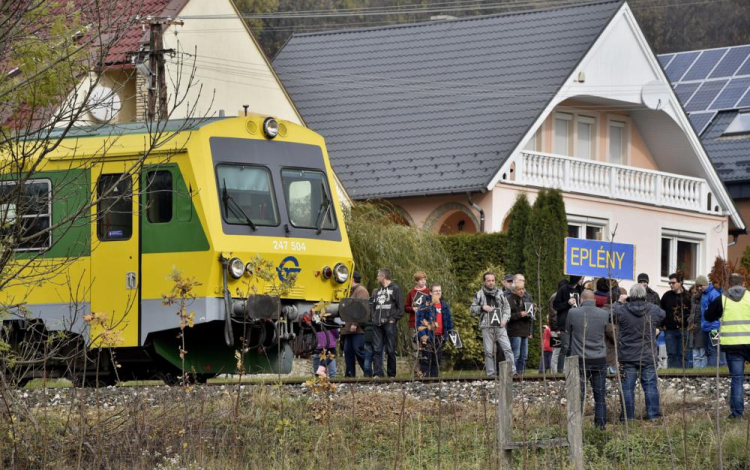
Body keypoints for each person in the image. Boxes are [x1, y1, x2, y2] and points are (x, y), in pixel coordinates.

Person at [614, 284, 666, 421]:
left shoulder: (622, 310)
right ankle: (653, 415)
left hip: (627, 356)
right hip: (647, 355)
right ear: (645, 296)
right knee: (650, 386)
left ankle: (627, 417)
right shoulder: (653, 310)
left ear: (631, 296)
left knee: (627, 388)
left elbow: (611, 314)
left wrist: (619, 301)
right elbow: (663, 315)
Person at [704, 273, 750, 418]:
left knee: (737, 379)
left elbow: (708, 316)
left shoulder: (722, 299)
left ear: (729, 284)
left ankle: (737, 413)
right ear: (743, 283)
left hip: (732, 346)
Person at [562, 289, 609, 429]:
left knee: (578, 395)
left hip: (580, 359)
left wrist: (566, 355)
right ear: (594, 300)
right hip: (599, 359)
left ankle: (576, 426)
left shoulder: (573, 313)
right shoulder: (604, 314)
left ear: (581, 299)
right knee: (600, 396)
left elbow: (567, 335)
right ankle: (600, 426)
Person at [471, 271, 516, 376]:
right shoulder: (479, 294)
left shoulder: (500, 293)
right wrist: (482, 308)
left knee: (508, 348)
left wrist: (504, 320)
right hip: (486, 326)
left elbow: (507, 309)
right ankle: (491, 373)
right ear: (484, 282)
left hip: (500, 325)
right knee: (489, 351)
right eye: (488, 281)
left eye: (493, 280)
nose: (491, 283)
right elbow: (472, 310)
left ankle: (512, 371)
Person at [370, 268, 404, 378]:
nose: (377, 278)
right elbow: (373, 306)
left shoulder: (395, 289)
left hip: (389, 323)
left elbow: (400, 308)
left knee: (390, 349)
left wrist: (393, 318)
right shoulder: (377, 291)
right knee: (377, 349)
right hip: (377, 324)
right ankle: (378, 373)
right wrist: (374, 317)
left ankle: (391, 374)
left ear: (383, 276)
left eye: (378, 276)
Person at [416, 284, 454, 377]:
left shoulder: (444, 305)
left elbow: (449, 321)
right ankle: (425, 379)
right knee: (426, 359)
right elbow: (420, 321)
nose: (438, 292)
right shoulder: (425, 305)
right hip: (428, 336)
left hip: (440, 336)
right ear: (430, 293)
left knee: (437, 360)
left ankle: (435, 380)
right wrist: (423, 336)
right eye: (436, 291)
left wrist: (450, 334)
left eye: (439, 291)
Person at [552, 275, 584, 373]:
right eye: (581, 279)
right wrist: (567, 303)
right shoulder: (563, 289)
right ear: (576, 279)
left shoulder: (580, 290)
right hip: (565, 322)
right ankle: (560, 370)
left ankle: (570, 370)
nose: (582, 281)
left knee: (572, 348)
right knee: (564, 347)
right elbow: (555, 305)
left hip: (576, 321)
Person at [660, 272, 692, 369]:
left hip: (685, 329)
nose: (671, 285)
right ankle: (672, 377)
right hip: (670, 331)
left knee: (684, 355)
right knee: (671, 354)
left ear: (680, 282)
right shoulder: (666, 296)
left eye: (673, 283)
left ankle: (684, 377)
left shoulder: (688, 297)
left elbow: (693, 312)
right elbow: (661, 311)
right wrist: (662, 325)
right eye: (670, 283)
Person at [342, 271, 368, 377]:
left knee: (359, 350)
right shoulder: (351, 291)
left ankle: (367, 371)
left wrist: (355, 323)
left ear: (352, 279)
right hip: (348, 329)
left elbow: (362, 308)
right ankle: (350, 374)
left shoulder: (361, 291)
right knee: (348, 352)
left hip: (357, 329)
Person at [506, 274, 533, 374]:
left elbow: (531, 317)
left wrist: (530, 330)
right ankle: (513, 373)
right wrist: (520, 314)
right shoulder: (508, 300)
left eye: (523, 289)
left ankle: (522, 374)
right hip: (515, 331)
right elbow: (507, 317)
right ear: (513, 290)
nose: (522, 291)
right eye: (519, 289)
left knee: (524, 355)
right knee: (515, 354)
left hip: (524, 331)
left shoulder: (526, 299)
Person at [698, 274, 726, 368]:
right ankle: (714, 368)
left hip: (714, 328)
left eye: (700, 286)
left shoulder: (713, 294)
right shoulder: (704, 294)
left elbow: (717, 310)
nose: (699, 288)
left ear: (706, 284)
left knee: (714, 349)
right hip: (706, 327)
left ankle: (713, 370)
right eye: (698, 286)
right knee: (710, 350)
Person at [688, 283, 707, 368]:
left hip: (701, 329)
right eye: (692, 293)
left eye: (695, 292)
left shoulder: (704, 301)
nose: (694, 295)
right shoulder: (692, 303)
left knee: (702, 353)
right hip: (693, 330)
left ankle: (702, 371)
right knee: (695, 354)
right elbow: (691, 315)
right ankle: (696, 371)